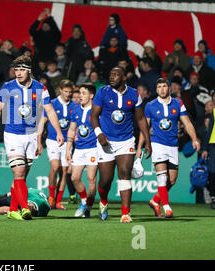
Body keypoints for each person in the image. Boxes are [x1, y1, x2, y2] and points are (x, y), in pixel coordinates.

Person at [0, 55, 64, 220]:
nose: (18, 73)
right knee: (19, 172)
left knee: (21, 177)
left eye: (22, 69)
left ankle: (13, 209)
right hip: (13, 135)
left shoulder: (40, 88)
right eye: (16, 69)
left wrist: (58, 132)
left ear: (29, 70)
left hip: (31, 136)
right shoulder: (7, 87)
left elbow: (49, 111)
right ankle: (24, 209)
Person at [91, 66, 152, 223]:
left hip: (126, 141)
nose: (112, 77)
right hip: (106, 142)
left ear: (124, 78)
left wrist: (147, 141)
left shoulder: (134, 94)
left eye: (115, 75)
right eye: (110, 74)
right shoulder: (102, 92)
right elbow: (94, 116)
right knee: (106, 180)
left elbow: (140, 119)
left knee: (125, 174)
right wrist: (99, 134)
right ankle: (103, 201)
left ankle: (125, 213)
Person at [137, 78, 200, 218]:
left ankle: (155, 201)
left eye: (164, 86)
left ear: (169, 88)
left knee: (171, 180)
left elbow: (187, 123)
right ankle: (167, 207)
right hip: (157, 144)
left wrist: (194, 139)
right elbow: (145, 128)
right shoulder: (150, 106)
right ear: (156, 89)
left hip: (173, 146)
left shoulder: (178, 104)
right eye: (159, 87)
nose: (162, 89)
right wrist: (140, 146)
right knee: (162, 177)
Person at [37, 80, 77, 209]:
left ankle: (58, 201)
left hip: (67, 142)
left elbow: (74, 125)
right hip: (53, 140)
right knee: (55, 168)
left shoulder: (74, 105)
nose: (68, 94)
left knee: (64, 171)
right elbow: (42, 122)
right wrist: (38, 141)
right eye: (66, 91)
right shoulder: (52, 104)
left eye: (70, 92)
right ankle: (51, 198)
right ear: (60, 90)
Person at [66, 83, 98, 218]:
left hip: (93, 148)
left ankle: (88, 207)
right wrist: (68, 149)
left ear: (91, 96)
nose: (80, 96)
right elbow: (72, 129)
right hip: (79, 149)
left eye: (84, 93)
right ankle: (84, 201)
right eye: (80, 93)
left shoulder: (97, 110)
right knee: (74, 178)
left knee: (91, 178)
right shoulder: (76, 110)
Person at [202, 104, 215, 209]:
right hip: (213, 146)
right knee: (213, 172)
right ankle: (213, 198)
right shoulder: (214, 112)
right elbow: (209, 131)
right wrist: (205, 148)